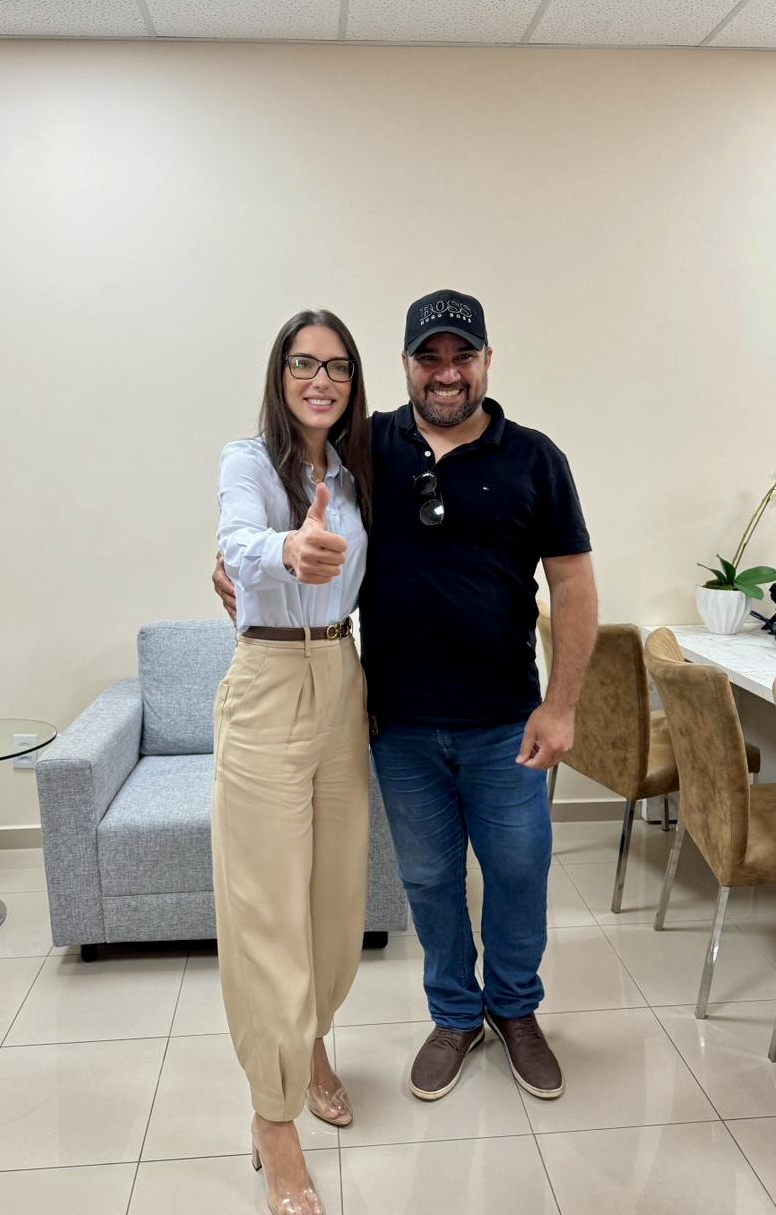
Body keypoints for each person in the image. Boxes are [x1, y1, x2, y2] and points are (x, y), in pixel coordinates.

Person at [214, 288, 597, 1109]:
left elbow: (572, 584)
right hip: (399, 724)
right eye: (430, 357)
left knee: (519, 872)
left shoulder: (536, 458)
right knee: (428, 880)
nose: (446, 373)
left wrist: (562, 705)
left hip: (506, 723)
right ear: (405, 367)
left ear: (487, 362)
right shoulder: (370, 447)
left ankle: (515, 1010)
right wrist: (241, 564)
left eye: (463, 356)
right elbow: (274, 514)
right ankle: (454, 1016)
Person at [213, 308, 371, 1215]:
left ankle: (309, 1042)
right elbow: (238, 540)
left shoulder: (356, 471)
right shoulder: (247, 462)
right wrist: (286, 549)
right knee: (267, 911)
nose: (321, 380)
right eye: (304, 364)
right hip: (269, 680)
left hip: (342, 677)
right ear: (280, 375)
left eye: (338, 367)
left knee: (334, 901)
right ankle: (273, 1120)